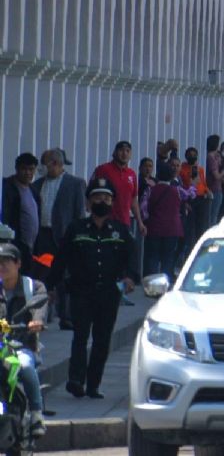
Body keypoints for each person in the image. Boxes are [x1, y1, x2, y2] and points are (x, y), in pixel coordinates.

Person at [49, 178, 136, 399]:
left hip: (108, 293)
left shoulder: (120, 231)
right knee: (80, 336)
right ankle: (76, 380)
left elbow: (131, 259)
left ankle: (93, 384)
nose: (102, 201)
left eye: (106, 198)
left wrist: (129, 278)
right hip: (81, 292)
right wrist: (49, 286)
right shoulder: (76, 229)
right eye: (97, 197)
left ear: (112, 202)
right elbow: (61, 259)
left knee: (102, 339)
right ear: (88, 203)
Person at [31, 148, 86, 329]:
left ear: (55, 163)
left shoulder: (75, 184)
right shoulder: (37, 184)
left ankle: (66, 316)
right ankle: (42, 315)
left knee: (65, 278)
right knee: (42, 277)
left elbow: (79, 214)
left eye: (44, 163)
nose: (41, 168)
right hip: (42, 236)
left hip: (64, 237)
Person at [0, 243, 48, 436]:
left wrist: (36, 321)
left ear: (18, 263)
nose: (2, 266)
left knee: (26, 365)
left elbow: (40, 307)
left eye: (6, 261)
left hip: (21, 346)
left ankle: (37, 414)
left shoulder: (33, 287)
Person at [92, 141, 148, 237]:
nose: (124, 153)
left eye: (127, 151)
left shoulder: (132, 174)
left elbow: (133, 201)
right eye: (121, 150)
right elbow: (90, 192)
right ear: (114, 153)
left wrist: (140, 222)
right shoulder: (103, 169)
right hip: (104, 221)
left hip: (124, 223)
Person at [1, 153, 41, 271]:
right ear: (17, 169)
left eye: (31, 169)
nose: (28, 173)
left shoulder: (33, 190)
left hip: (30, 248)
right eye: (24, 169)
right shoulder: (7, 187)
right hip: (14, 242)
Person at [143, 164, 183, 277]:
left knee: (153, 257)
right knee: (168, 258)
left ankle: (151, 282)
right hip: (172, 229)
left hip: (154, 228)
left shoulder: (151, 190)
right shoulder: (177, 191)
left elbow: (144, 209)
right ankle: (166, 283)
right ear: (171, 177)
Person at [178, 147, 209, 255]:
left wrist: (206, 191)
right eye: (190, 154)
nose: (192, 156)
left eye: (194, 154)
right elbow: (184, 184)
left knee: (201, 225)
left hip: (201, 197)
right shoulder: (182, 169)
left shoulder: (200, 169)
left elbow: (203, 183)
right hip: (190, 197)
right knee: (190, 228)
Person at [205, 134, 224, 227]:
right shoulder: (211, 157)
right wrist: (223, 173)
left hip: (216, 188)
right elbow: (216, 176)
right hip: (214, 189)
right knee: (213, 216)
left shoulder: (214, 157)